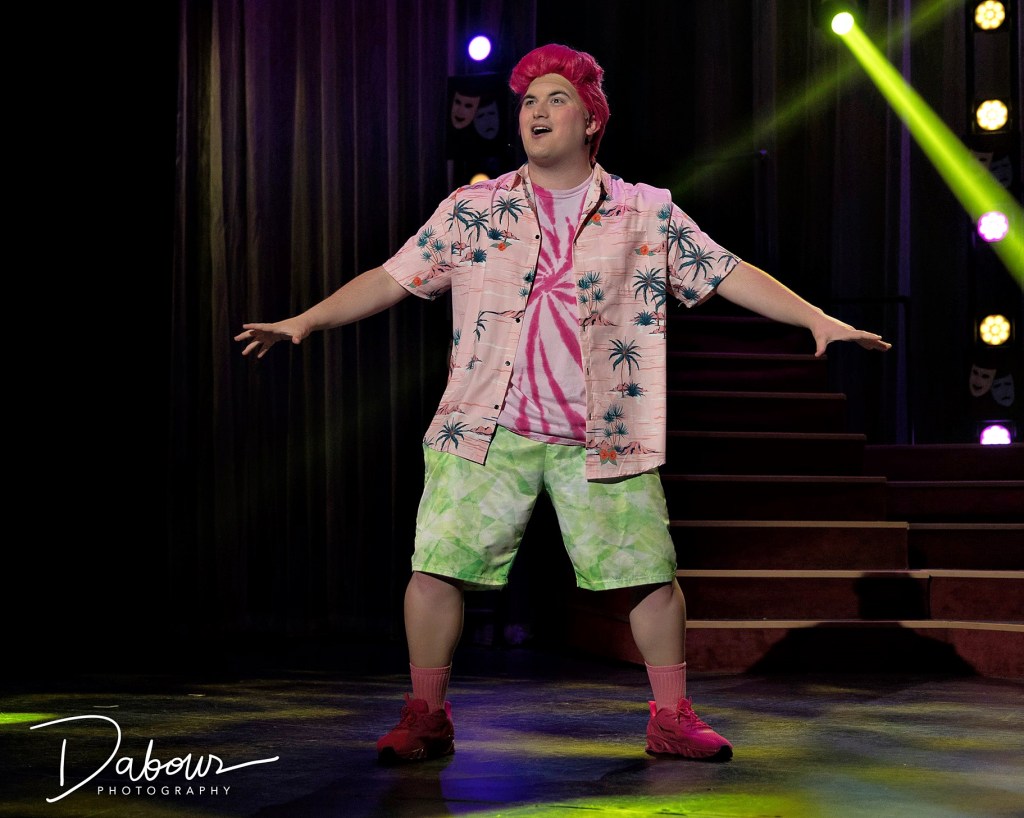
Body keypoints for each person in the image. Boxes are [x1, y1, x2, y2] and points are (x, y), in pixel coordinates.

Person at [236, 43, 891, 764]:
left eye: (555, 101)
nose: (537, 112)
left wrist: (814, 317)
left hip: (602, 431)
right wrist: (306, 319)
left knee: (649, 576)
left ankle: (671, 716)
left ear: (590, 124)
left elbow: (727, 271)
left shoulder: (643, 212)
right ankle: (426, 714)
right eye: (527, 103)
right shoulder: (475, 208)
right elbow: (391, 278)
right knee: (436, 568)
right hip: (486, 425)